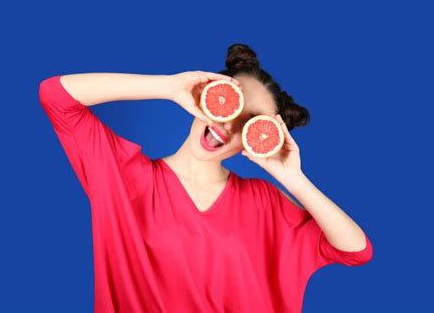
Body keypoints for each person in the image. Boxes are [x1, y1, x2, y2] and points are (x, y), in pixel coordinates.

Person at [38, 43, 373, 313]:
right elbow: (55, 95)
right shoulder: (124, 178)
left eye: (249, 124)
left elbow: (355, 250)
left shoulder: (263, 201)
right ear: (206, 97)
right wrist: (169, 86)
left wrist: (294, 178)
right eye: (228, 104)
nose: (229, 126)